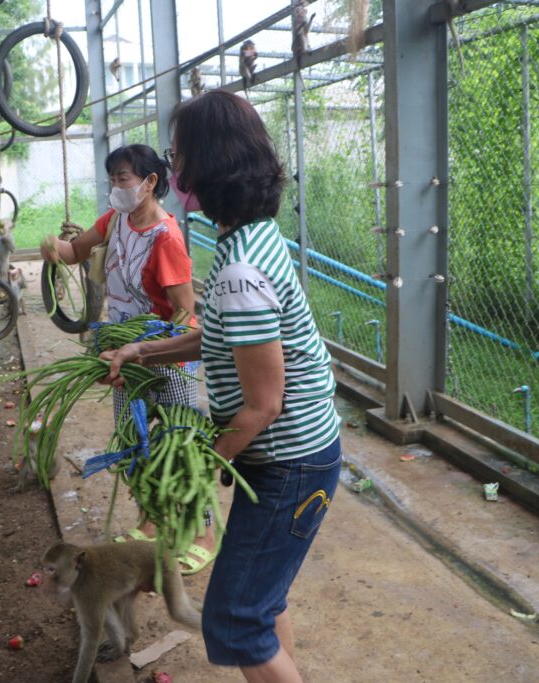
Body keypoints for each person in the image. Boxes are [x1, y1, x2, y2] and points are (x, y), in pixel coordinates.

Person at [102, 91, 341, 683]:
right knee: (262, 603)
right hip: (294, 458)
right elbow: (222, 337)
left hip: (290, 463)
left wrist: (198, 470)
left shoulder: (238, 270)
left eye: (177, 156)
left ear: (206, 165)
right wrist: (143, 349)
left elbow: (264, 405)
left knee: (234, 618)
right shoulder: (251, 237)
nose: (173, 169)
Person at [39, 144, 216, 572]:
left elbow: (184, 313)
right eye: (113, 180)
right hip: (123, 355)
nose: (116, 188)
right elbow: (75, 251)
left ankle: (202, 534)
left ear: (150, 182)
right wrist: (53, 247)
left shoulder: (166, 239)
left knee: (180, 444)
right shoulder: (115, 220)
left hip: (166, 359)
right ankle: (151, 522)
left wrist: (151, 348)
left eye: (123, 179)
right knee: (134, 440)